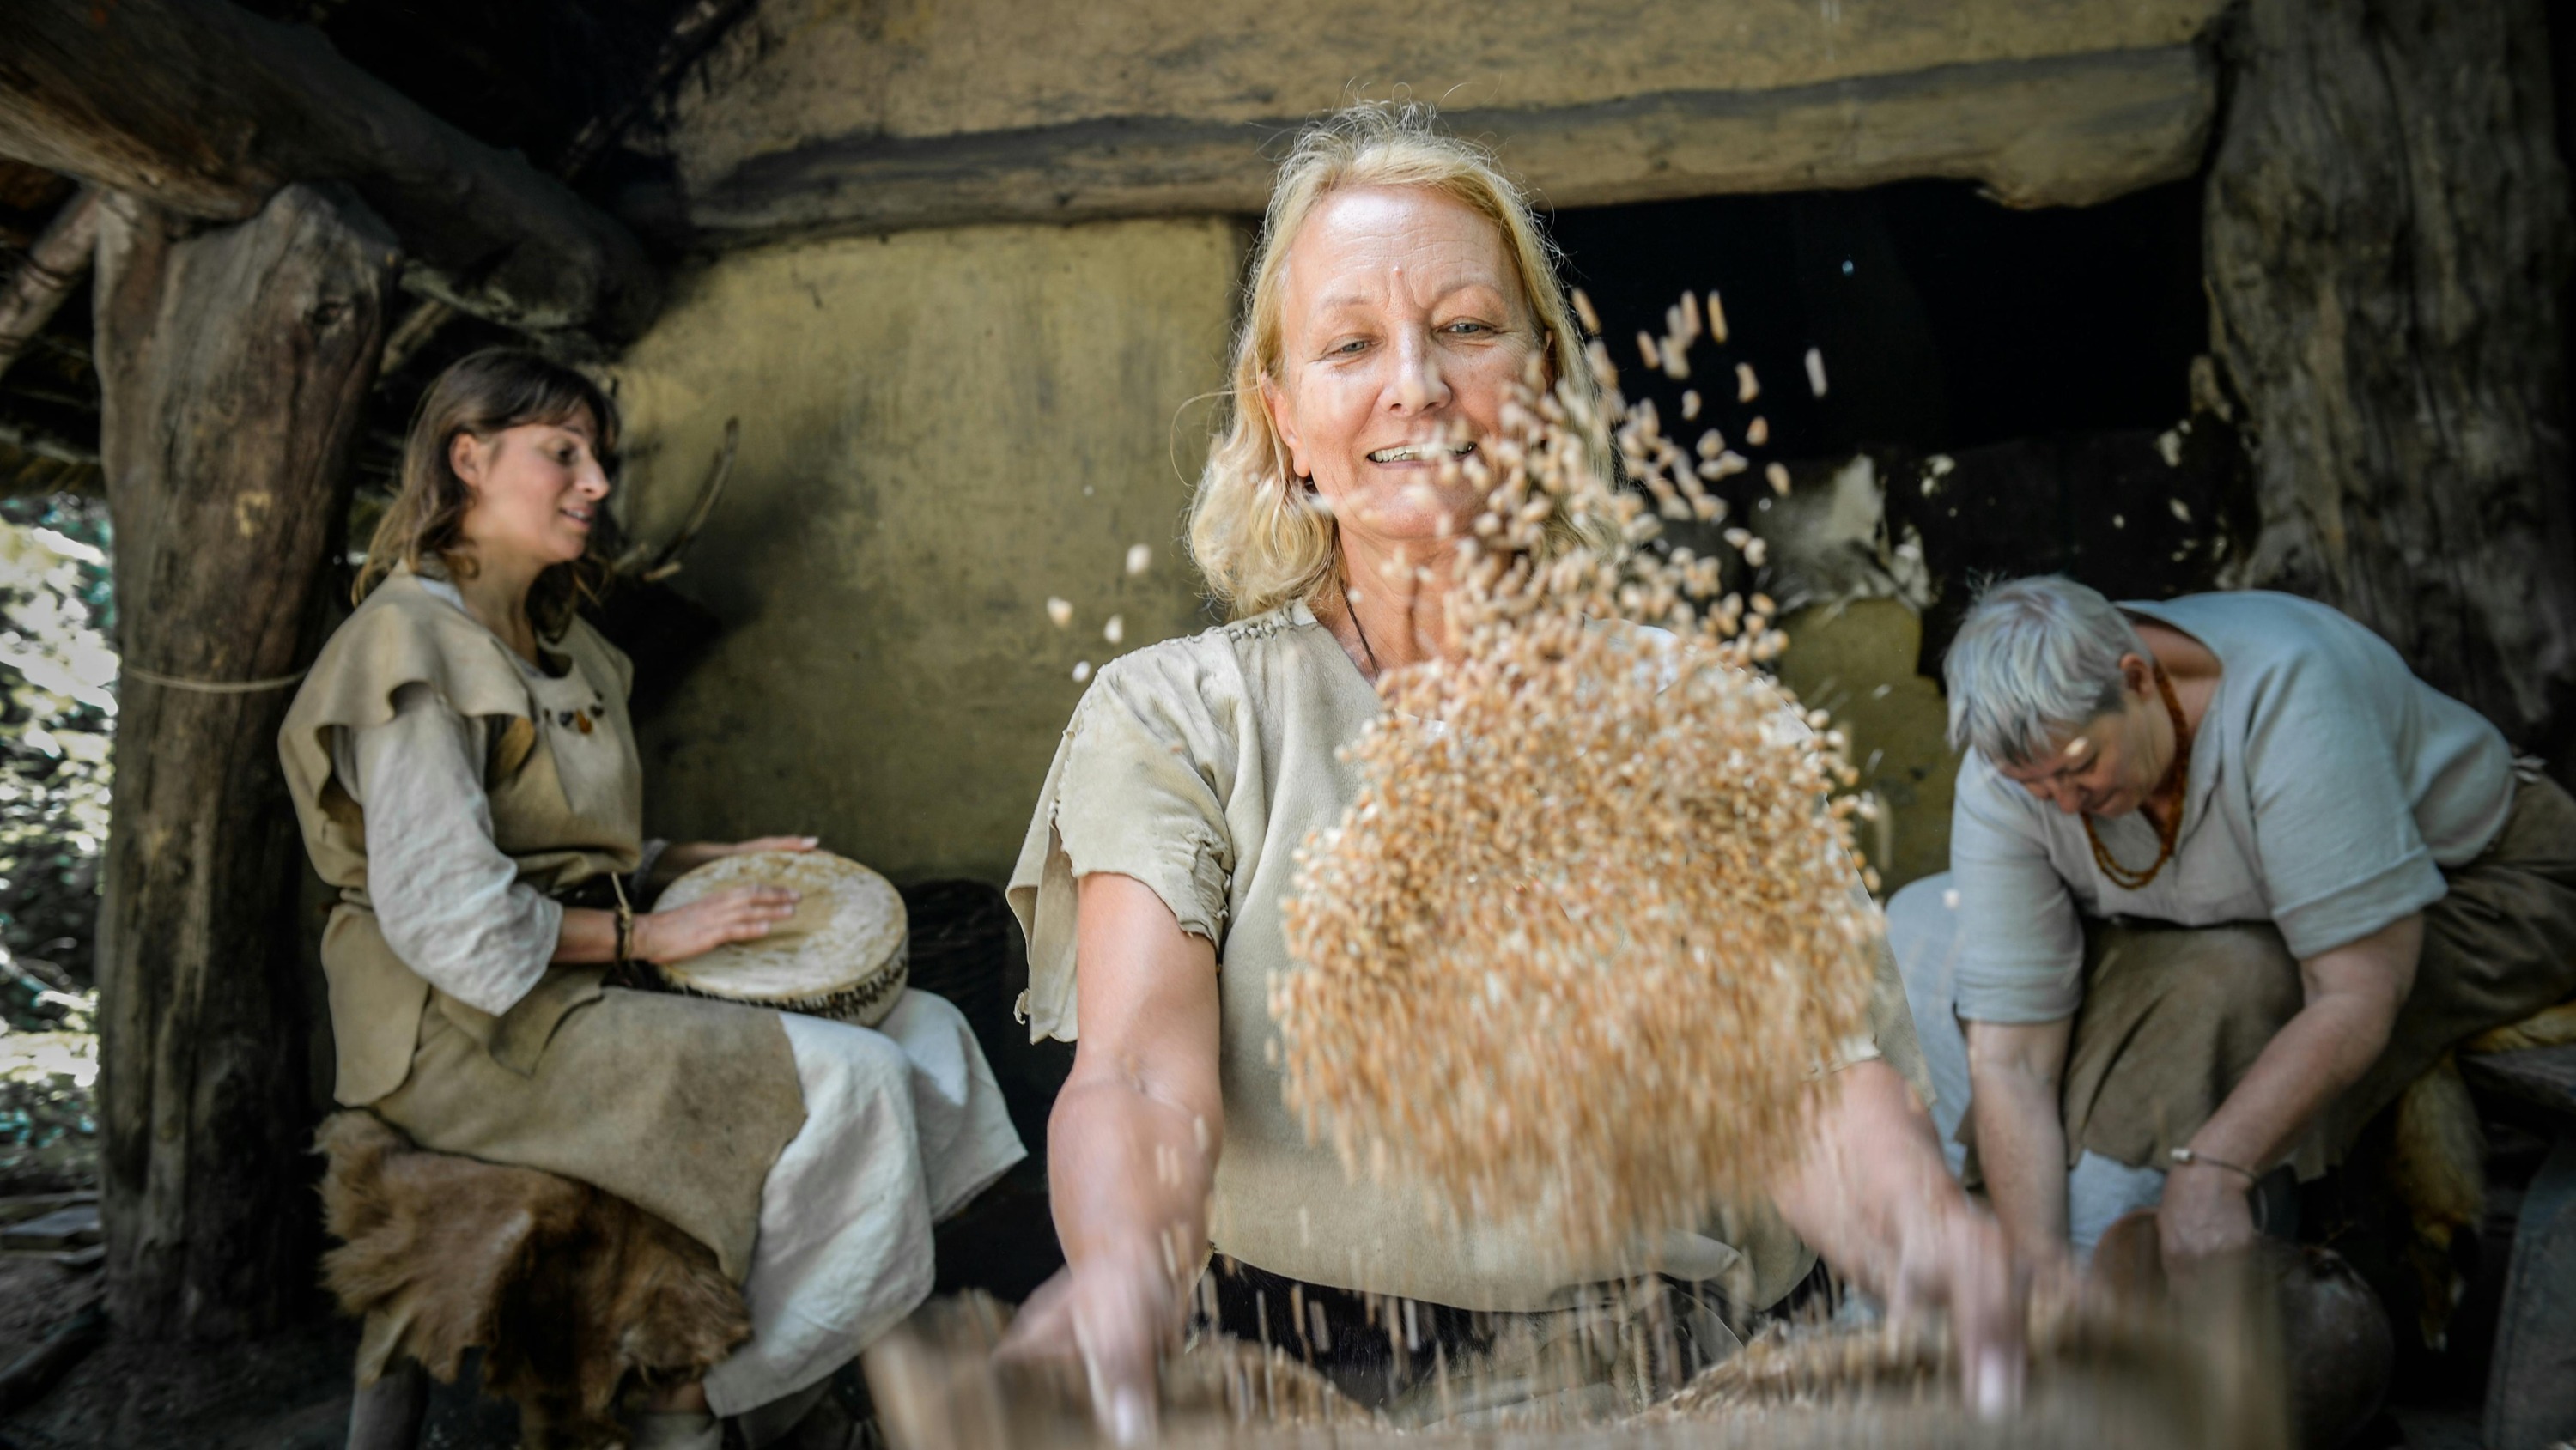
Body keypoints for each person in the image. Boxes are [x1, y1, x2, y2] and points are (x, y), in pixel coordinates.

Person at [999, 103, 2023, 1441]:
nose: (1416, 382)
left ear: (1542, 379)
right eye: (1352, 344)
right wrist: (1126, 1282)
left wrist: (1947, 1261)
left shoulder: (1687, 719)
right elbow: (1138, 1072)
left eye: (1469, 328)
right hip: (1288, 1380)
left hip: (1637, 1376)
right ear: (1285, 420)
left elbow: (1808, 1091)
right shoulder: (1185, 715)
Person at [277, 349, 1025, 1450]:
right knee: (857, 1082)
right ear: (468, 459)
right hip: (463, 1033)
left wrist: (698, 860)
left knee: (932, 1034)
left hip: (585, 979)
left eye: (600, 460)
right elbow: (454, 921)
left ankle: (782, 1383)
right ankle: (706, 1407)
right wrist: (652, 930)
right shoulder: (406, 647)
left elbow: (551, 842)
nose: (594, 484)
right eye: (562, 454)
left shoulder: (561, 643)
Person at [1890, 575, 2576, 1271]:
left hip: (2481, 892)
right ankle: (2041, 1268)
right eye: (2033, 787)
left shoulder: (2288, 697)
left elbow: (2355, 990)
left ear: (2136, 680)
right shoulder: (2008, 766)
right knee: (1925, 924)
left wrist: (2214, 1168)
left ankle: (2194, 1251)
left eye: (2082, 767)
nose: (2062, 804)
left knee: (2229, 991)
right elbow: (2012, 1056)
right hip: (2232, 918)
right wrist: (2037, 1275)